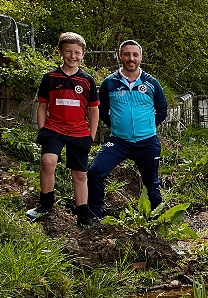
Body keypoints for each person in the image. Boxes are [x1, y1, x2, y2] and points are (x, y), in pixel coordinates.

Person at [87, 40, 167, 221]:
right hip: (118, 141)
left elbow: (162, 110)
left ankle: (156, 223)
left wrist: (148, 126)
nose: (131, 58)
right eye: (127, 54)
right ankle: (95, 216)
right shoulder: (109, 83)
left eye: (135, 55)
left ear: (140, 57)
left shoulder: (152, 83)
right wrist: (115, 124)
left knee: (151, 184)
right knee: (95, 172)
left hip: (147, 142)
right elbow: (102, 109)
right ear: (120, 56)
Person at [26, 32, 100, 227]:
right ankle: (45, 204)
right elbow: (42, 105)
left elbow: (94, 110)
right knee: (48, 162)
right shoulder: (50, 77)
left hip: (78, 132)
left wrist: (91, 136)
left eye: (77, 52)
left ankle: (83, 212)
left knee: (80, 174)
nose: (72, 56)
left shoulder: (87, 81)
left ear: (83, 54)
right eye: (68, 51)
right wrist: (42, 129)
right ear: (60, 51)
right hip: (54, 129)